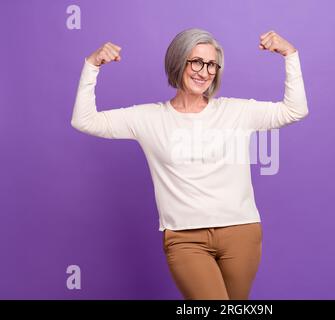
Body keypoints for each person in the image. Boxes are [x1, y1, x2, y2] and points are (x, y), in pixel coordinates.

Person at [71, 28, 308, 300]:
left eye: (211, 65)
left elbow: (295, 109)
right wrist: (92, 66)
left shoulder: (237, 112)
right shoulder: (148, 118)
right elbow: (84, 120)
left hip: (241, 233)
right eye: (196, 61)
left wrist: (290, 55)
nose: (203, 72)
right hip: (185, 240)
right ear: (178, 61)